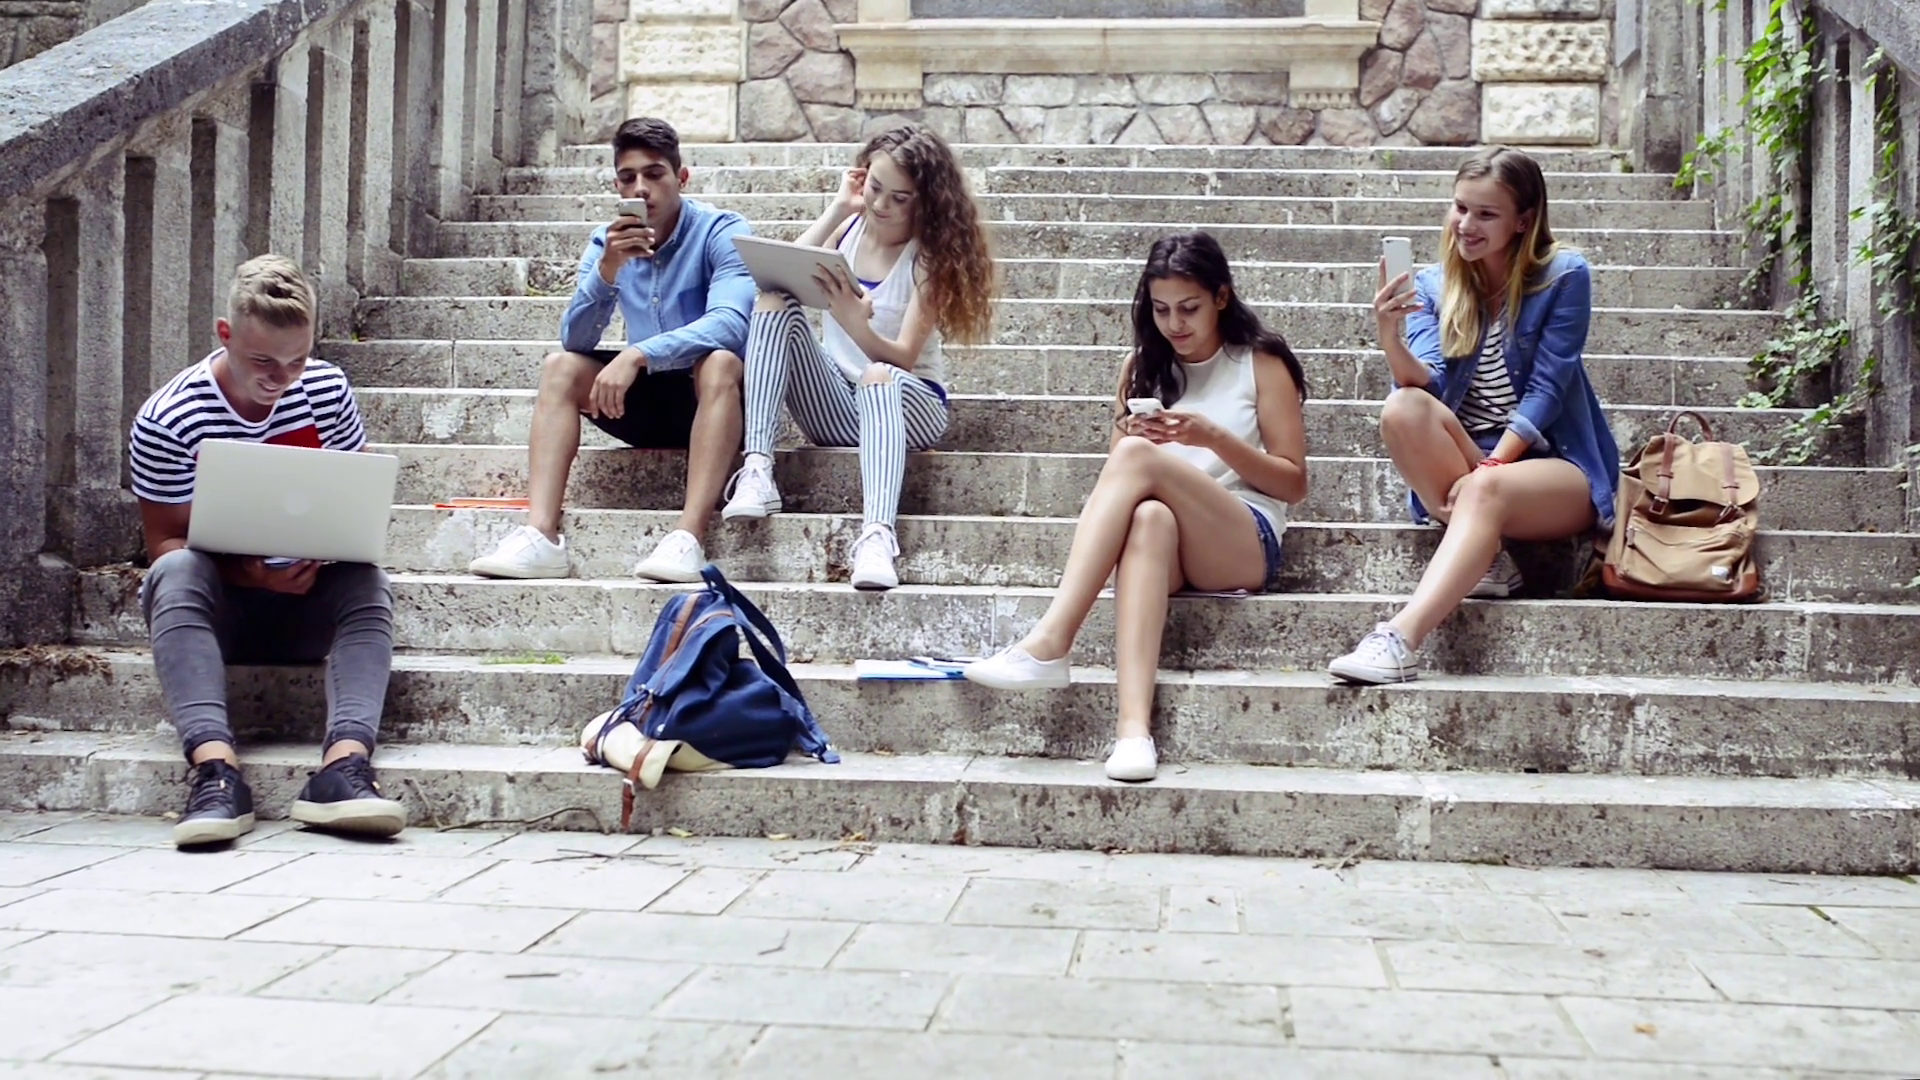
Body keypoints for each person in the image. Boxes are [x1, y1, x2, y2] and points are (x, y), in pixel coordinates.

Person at [963, 233, 1309, 782]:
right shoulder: (1141, 366)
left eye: (1189, 308)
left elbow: (1293, 483)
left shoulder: (1260, 362)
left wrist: (1211, 437)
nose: (1175, 323)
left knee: (1136, 457)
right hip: (1168, 541)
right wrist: (1135, 437)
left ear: (1221, 297)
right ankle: (1132, 733)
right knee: (1147, 516)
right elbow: (1118, 482)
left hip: (1243, 537)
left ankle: (1053, 638)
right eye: (1162, 309)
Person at [130, 255, 406, 848]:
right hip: (219, 615)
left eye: (296, 360)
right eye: (263, 362)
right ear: (225, 334)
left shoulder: (326, 390)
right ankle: (215, 774)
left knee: (367, 580)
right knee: (175, 570)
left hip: (306, 603)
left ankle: (343, 769)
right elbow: (162, 543)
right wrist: (249, 574)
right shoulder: (169, 418)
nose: (281, 378)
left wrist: (329, 545)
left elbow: (351, 504)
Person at [1328, 145, 1621, 685]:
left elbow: (1548, 389)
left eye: (1486, 214)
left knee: (1485, 488)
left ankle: (1400, 639)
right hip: (1472, 458)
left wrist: (1493, 466)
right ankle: (1488, 556)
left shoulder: (1564, 276)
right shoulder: (1434, 285)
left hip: (1556, 466)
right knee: (1402, 407)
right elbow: (1427, 386)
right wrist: (1389, 336)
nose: (1465, 225)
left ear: (1522, 221)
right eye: (1460, 208)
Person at [468, 116, 755, 583]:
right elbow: (576, 340)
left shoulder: (721, 231)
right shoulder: (607, 242)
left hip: (714, 403)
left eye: (654, 174)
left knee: (719, 361)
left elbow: (731, 323)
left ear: (681, 177)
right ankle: (542, 535)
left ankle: (688, 536)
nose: (641, 188)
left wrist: (638, 354)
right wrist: (608, 270)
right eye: (628, 177)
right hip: (643, 404)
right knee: (560, 367)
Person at [718, 124, 995, 590]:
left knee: (878, 375)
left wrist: (853, 322)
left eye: (899, 197)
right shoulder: (849, 228)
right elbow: (776, 274)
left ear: (925, 201)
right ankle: (758, 468)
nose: (881, 204)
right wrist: (837, 209)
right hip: (838, 406)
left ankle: (877, 537)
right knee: (773, 302)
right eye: (875, 187)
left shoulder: (928, 258)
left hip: (908, 405)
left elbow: (902, 358)